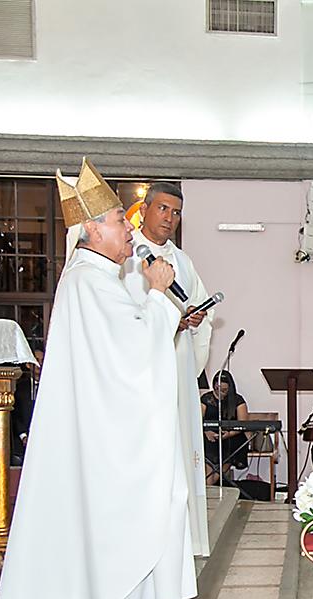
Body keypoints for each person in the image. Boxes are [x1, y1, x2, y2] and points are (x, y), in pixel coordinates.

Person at [0, 158, 194, 599]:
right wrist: (157, 297)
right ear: (89, 228)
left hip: (116, 432)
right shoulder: (86, 280)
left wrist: (151, 297)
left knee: (140, 520)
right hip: (107, 442)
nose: (129, 227)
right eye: (117, 222)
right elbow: (130, 355)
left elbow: (132, 340)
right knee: (113, 530)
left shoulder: (103, 277)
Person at [123, 181, 214, 559]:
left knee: (180, 443)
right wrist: (168, 321)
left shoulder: (182, 260)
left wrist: (195, 318)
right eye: (162, 209)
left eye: (176, 213)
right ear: (144, 209)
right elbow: (126, 314)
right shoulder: (127, 256)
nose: (170, 219)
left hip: (175, 360)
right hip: (141, 368)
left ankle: (183, 536)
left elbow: (194, 304)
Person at [201, 369, 249, 486]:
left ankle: (212, 481)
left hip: (231, 437)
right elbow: (198, 420)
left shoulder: (238, 400)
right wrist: (206, 431)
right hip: (210, 437)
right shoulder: (206, 399)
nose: (220, 393)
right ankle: (210, 482)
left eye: (224, 390)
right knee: (207, 446)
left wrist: (228, 434)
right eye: (217, 389)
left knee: (231, 448)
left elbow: (242, 425)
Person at [10, 346, 44, 466]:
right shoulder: (20, 388)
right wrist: (24, 436)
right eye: (36, 360)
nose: (39, 364)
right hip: (22, 443)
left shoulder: (50, 388)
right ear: (29, 364)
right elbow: (16, 414)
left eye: (42, 361)